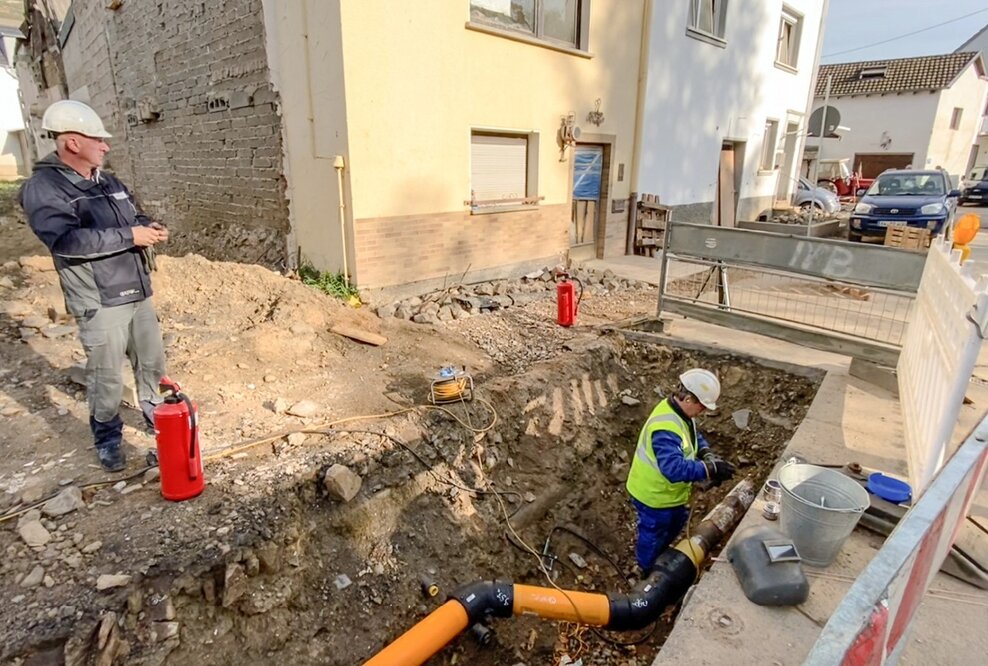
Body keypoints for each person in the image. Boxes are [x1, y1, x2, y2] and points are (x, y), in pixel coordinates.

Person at [19, 100, 168, 472]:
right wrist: (130, 235)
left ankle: (155, 417)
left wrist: (148, 227)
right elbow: (65, 241)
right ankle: (108, 437)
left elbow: (134, 215)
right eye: (98, 140)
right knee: (106, 376)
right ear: (72, 143)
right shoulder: (45, 188)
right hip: (100, 299)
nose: (105, 146)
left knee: (151, 363)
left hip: (136, 289)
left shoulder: (109, 181)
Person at [625, 368, 736, 575]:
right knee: (653, 533)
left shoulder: (681, 413)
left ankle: (659, 555)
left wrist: (706, 453)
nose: (703, 411)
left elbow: (692, 436)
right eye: (702, 406)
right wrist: (709, 469)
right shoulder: (665, 427)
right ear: (688, 399)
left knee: (674, 525)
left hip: (670, 496)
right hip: (654, 497)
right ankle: (645, 570)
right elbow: (673, 469)